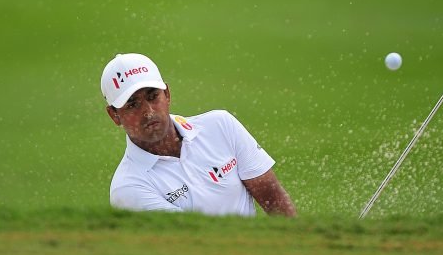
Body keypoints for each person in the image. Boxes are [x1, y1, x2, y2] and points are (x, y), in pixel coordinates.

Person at [100, 53, 296, 217]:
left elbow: (275, 200)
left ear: (167, 94)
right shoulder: (128, 188)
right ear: (114, 115)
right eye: (133, 105)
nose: (149, 112)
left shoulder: (220, 125)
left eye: (153, 96)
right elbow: (193, 243)